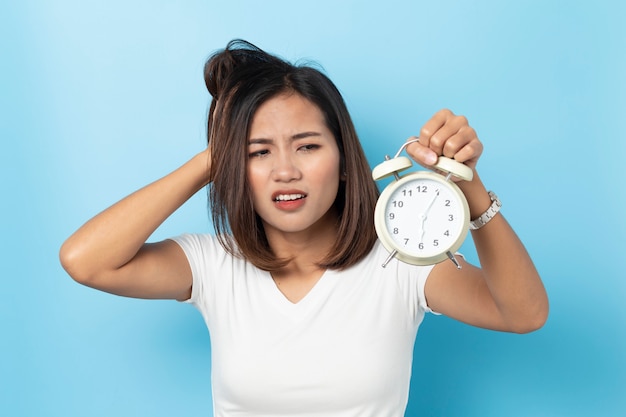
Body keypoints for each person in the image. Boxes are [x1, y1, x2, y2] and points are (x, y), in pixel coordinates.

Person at [59, 39, 548, 416]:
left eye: (308, 146)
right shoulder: (214, 264)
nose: (285, 170)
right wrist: (216, 155)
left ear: (343, 161)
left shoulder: (399, 262)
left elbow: (523, 314)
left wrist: (470, 186)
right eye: (258, 151)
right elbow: (85, 261)